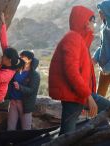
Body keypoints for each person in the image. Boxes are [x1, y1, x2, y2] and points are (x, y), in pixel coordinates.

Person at [49, 5, 110, 135]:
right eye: (92, 21)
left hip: (78, 94)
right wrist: (88, 96)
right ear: (84, 21)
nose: (95, 23)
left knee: (67, 133)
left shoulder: (79, 40)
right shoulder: (73, 39)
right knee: (66, 135)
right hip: (76, 95)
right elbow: (72, 72)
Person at [7, 50, 40, 131]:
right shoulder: (17, 70)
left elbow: (32, 90)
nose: (20, 58)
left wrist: (20, 87)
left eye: (23, 57)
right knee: (10, 128)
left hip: (24, 105)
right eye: (20, 56)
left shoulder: (34, 75)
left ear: (30, 60)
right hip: (13, 103)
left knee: (26, 130)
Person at [93, 0, 110, 97]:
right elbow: (102, 45)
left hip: (107, 68)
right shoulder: (104, 27)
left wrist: (107, 68)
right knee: (99, 95)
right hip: (104, 68)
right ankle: (97, 112)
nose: (99, 13)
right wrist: (95, 58)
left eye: (101, 11)